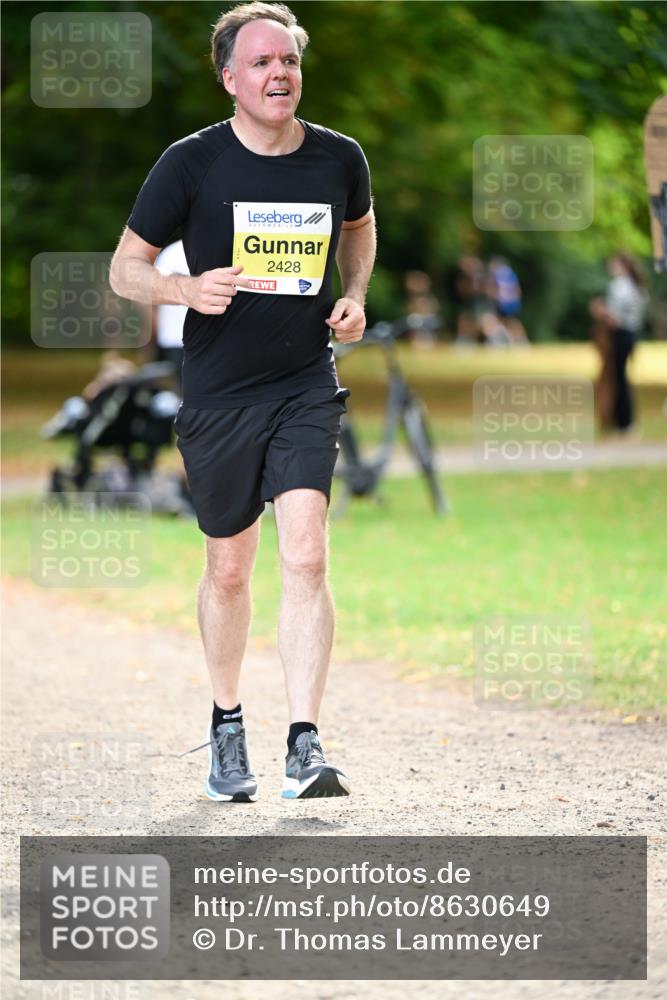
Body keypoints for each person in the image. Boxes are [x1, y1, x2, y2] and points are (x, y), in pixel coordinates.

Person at [109, 2, 376, 801]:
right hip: (219, 391)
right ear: (229, 78)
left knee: (306, 551)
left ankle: (305, 741)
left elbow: (358, 228)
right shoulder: (190, 163)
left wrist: (355, 295)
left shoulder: (337, 157)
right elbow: (125, 269)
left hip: (304, 381)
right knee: (229, 568)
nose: (278, 73)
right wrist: (186, 287)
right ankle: (228, 724)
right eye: (260, 62)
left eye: (288, 60)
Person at [589, 254, 648, 434]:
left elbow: (614, 318)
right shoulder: (635, 286)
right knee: (620, 376)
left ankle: (623, 422)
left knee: (618, 378)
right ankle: (622, 421)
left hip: (621, 334)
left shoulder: (620, 286)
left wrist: (599, 310)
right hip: (631, 334)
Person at [153, 240, 189, 390]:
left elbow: (151, 298)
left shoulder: (169, 253)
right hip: (202, 338)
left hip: (172, 337)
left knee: (181, 391)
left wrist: (157, 332)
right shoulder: (215, 249)